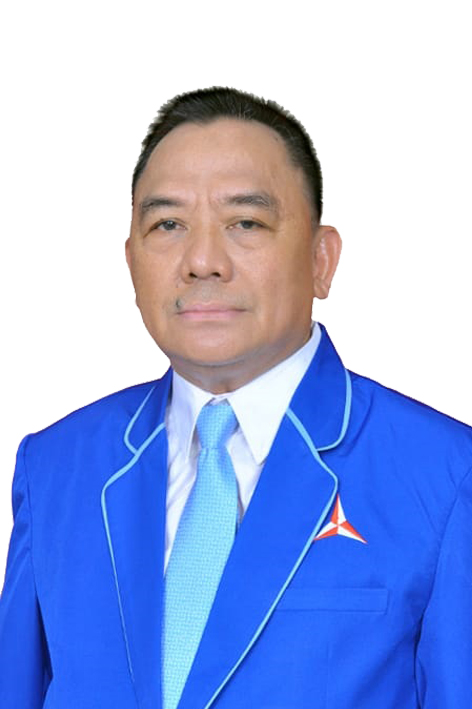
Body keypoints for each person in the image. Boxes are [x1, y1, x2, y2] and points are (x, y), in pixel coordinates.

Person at [1, 87, 471, 709]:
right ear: (131, 262)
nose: (202, 261)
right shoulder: (56, 467)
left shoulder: (445, 475)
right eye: (168, 225)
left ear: (322, 259)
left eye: (246, 223)